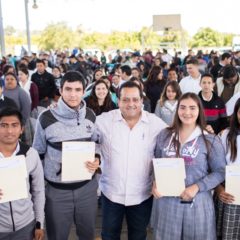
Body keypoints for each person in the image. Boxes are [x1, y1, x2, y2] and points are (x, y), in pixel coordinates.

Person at [95, 81, 167, 240]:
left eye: (135, 99)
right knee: (108, 235)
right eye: (125, 99)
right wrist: (96, 156)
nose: (131, 104)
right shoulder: (103, 121)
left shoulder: (155, 124)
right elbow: (91, 142)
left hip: (141, 194)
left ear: (142, 100)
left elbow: (172, 142)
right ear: (118, 101)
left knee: (138, 236)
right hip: (111, 193)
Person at [33, 71, 100, 240]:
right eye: (68, 89)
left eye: (78, 89)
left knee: (88, 234)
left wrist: (97, 159)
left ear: (83, 91)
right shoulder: (46, 117)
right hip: (57, 192)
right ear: (60, 90)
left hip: (87, 189)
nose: (73, 94)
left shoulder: (91, 116)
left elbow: (96, 143)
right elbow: (38, 153)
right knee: (57, 236)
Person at [152, 93, 226, 240]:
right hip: (167, 204)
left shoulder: (210, 139)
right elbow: (156, 163)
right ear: (177, 110)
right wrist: (155, 182)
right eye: (183, 107)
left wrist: (197, 186)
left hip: (198, 204)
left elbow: (220, 171)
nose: (187, 112)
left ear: (199, 111)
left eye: (192, 108)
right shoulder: (165, 135)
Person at [0, 108, 45, 240]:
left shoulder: (31, 154)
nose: (9, 131)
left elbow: (39, 191)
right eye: (3, 125)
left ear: (22, 129)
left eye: (14, 125)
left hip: (25, 225)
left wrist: (39, 223)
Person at [214, 97, 240, 240]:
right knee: (228, 235)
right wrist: (219, 189)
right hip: (229, 195)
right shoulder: (225, 136)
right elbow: (215, 166)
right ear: (236, 114)